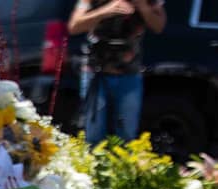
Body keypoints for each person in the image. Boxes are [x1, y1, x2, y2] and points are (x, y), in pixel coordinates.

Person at [68, 0, 165, 142]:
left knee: (127, 135)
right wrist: (106, 11)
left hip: (129, 74)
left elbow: (159, 26)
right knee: (93, 135)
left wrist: (143, 7)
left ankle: (121, 163)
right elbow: (74, 26)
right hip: (96, 72)